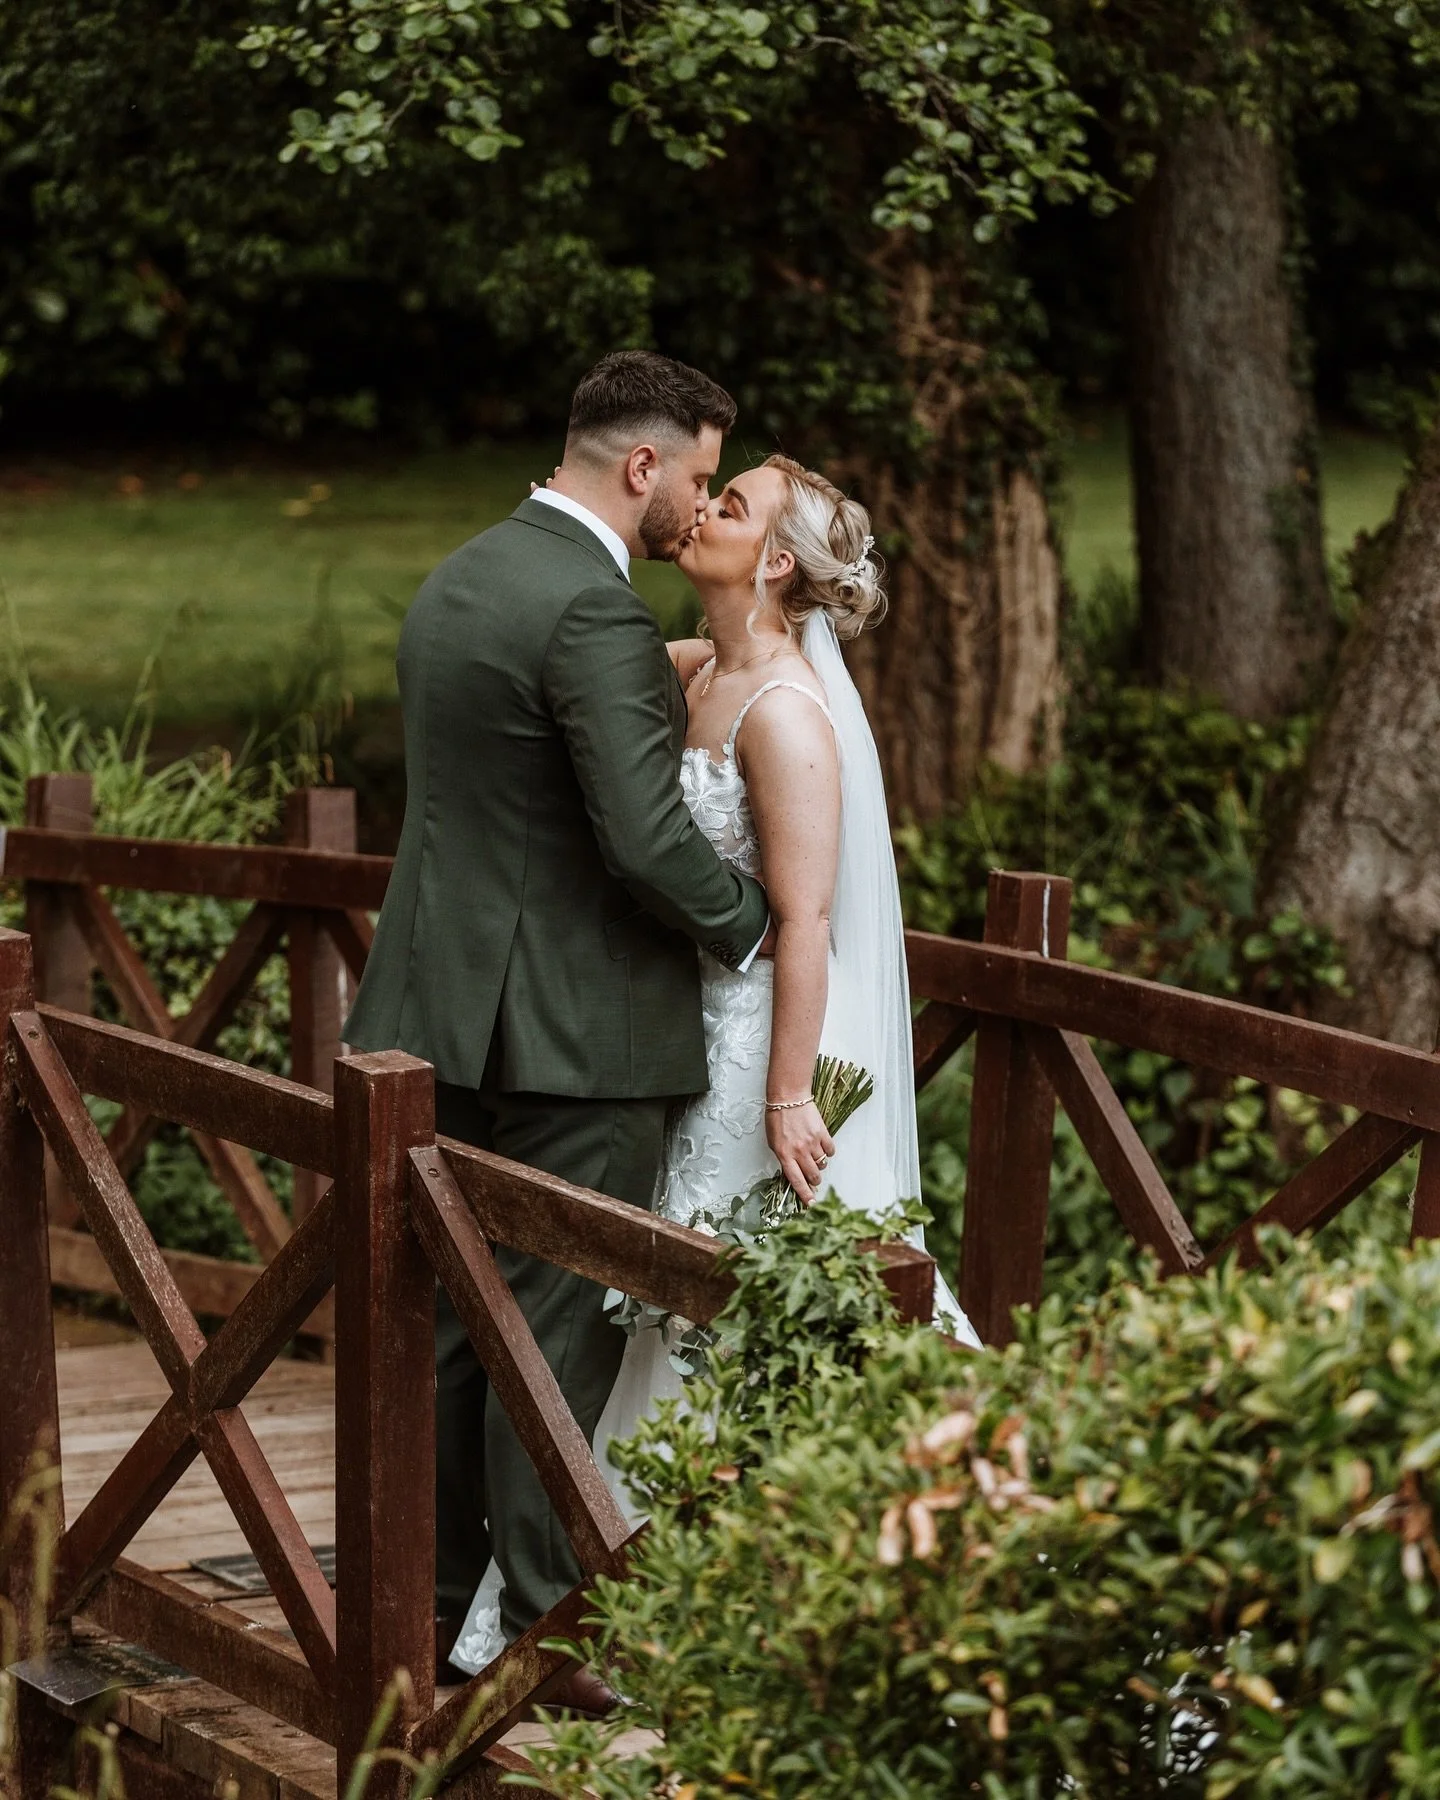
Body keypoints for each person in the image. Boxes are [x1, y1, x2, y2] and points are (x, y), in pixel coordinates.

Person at [451, 452, 979, 1675]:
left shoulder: (787, 714)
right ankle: (638, 1587)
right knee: (654, 1300)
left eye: (730, 504)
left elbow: (803, 925)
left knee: (729, 1300)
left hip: (756, 1053)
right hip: (671, 1034)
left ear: (777, 562)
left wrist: (790, 1093)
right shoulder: (695, 668)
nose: (701, 509)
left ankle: (822, 1586)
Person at [343, 351, 771, 1719]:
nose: (696, 507)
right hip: (575, 1041)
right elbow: (644, 842)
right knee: (550, 1338)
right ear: (639, 465)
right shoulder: (590, 608)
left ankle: (417, 1611)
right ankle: (538, 1635)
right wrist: (760, 930)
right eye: (697, 477)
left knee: (459, 1337)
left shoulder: (464, 575)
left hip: (440, 1019)